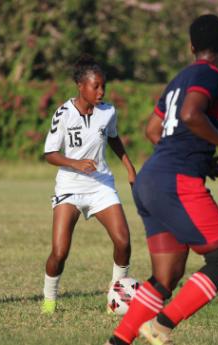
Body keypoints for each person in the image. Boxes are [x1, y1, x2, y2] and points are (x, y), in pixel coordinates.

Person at [105, 14, 218, 345]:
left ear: (191, 46)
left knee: (166, 275)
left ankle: (118, 341)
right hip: (174, 182)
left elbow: (154, 130)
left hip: (151, 179)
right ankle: (161, 325)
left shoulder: (180, 78)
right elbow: (190, 115)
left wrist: (200, 157)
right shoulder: (208, 74)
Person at [41, 55, 136, 314]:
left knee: (124, 242)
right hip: (70, 188)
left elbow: (114, 138)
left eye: (103, 86)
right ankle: (49, 300)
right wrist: (75, 162)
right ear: (80, 86)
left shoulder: (108, 112)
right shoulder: (63, 113)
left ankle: (116, 299)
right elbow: (50, 153)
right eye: (96, 86)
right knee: (59, 252)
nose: (101, 91)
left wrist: (129, 167)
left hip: (100, 186)